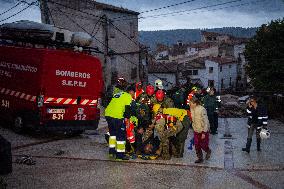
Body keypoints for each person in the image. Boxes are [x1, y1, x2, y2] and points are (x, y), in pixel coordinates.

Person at [105, 86, 134, 160]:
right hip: (117, 117)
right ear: (131, 92)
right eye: (133, 93)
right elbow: (127, 111)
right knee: (121, 136)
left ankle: (111, 152)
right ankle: (120, 156)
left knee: (112, 134)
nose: (133, 95)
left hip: (108, 115)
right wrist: (127, 119)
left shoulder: (118, 94)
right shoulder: (128, 96)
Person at [189, 96, 211, 163]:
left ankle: (208, 151)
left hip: (203, 130)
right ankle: (200, 158)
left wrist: (204, 132)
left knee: (203, 145)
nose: (190, 104)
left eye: (191, 103)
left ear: (195, 103)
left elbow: (206, 121)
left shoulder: (202, 109)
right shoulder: (191, 109)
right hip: (196, 130)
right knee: (197, 145)